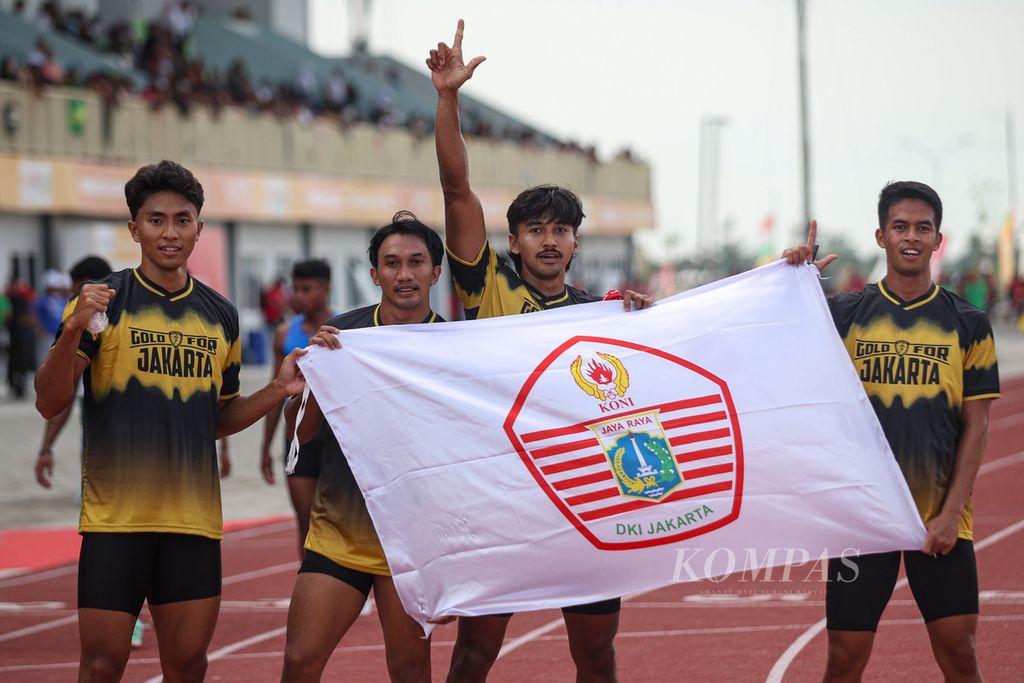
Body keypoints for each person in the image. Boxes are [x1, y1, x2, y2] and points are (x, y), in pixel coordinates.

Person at [428, 20, 653, 683]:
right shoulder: (489, 287)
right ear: (516, 242)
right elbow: (456, 191)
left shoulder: (603, 315)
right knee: (473, 656)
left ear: (577, 244)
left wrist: (646, 324)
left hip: (584, 502)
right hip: (504, 502)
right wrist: (448, 98)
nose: (549, 240)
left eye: (561, 230)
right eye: (536, 230)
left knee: (597, 656)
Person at [33, 160, 306, 683]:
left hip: (193, 524)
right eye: (156, 220)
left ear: (199, 229)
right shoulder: (102, 304)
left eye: (183, 220)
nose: (170, 232)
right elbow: (50, 402)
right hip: (117, 522)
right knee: (101, 666)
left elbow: (219, 418)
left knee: (186, 667)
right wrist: (70, 330)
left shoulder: (220, 315)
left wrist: (278, 390)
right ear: (134, 229)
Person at [783, 181, 1000, 683]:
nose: (911, 237)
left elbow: (978, 426)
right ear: (880, 236)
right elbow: (770, 332)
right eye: (900, 226)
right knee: (843, 660)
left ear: (937, 240)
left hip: (939, 521)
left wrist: (949, 516)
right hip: (862, 519)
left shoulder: (969, 323)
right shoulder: (843, 314)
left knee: (960, 656)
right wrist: (791, 278)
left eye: (923, 228)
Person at [279, 212, 446, 683]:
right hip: (340, 532)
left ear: (436, 271)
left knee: (411, 672)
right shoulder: (341, 337)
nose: (405, 274)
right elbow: (302, 433)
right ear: (375, 275)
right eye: (391, 263)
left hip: (411, 544)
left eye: (417, 262)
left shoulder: (453, 345)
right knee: (299, 662)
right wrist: (313, 378)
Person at [260, 259, 337, 558]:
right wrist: (265, 448)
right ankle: (309, 580)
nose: (298, 296)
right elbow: (275, 391)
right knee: (305, 522)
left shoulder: (345, 327)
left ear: (326, 289)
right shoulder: (283, 334)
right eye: (296, 289)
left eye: (307, 289)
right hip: (297, 439)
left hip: (335, 439)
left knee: (336, 520)